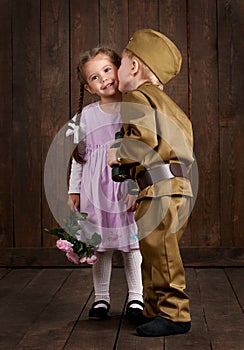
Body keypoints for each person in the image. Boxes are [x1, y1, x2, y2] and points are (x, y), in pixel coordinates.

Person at [107, 29, 194, 337]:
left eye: (119, 65)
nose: (115, 73)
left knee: (162, 250)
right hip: (176, 186)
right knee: (155, 249)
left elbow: (141, 141)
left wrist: (119, 155)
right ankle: (154, 309)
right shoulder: (168, 104)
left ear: (134, 67)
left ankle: (175, 313)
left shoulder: (135, 96)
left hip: (159, 186)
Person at [67, 47, 144, 320]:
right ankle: (101, 299)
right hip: (94, 192)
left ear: (119, 68)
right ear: (88, 87)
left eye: (107, 70)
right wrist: (74, 189)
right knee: (101, 247)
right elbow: (79, 156)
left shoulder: (134, 108)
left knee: (131, 244)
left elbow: (142, 152)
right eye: (95, 78)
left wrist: (137, 188)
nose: (104, 80)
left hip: (124, 188)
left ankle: (136, 298)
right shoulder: (86, 116)